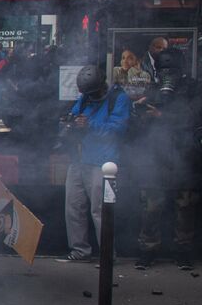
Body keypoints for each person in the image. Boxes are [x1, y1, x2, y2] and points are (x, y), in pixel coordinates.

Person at [133, 49, 201, 269]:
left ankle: (183, 252)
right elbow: (140, 127)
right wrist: (141, 111)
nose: (167, 75)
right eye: (163, 70)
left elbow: (192, 117)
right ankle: (148, 250)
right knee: (151, 209)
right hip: (156, 158)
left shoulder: (193, 89)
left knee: (185, 209)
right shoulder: (153, 90)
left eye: (171, 70)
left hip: (183, 157)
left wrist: (161, 115)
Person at [62, 64, 130, 262]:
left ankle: (108, 255)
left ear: (101, 86)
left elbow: (118, 130)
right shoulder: (85, 97)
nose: (89, 98)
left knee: (100, 211)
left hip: (103, 163)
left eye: (92, 94)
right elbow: (75, 115)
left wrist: (90, 125)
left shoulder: (119, 98)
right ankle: (79, 250)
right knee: (73, 207)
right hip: (79, 159)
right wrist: (69, 122)